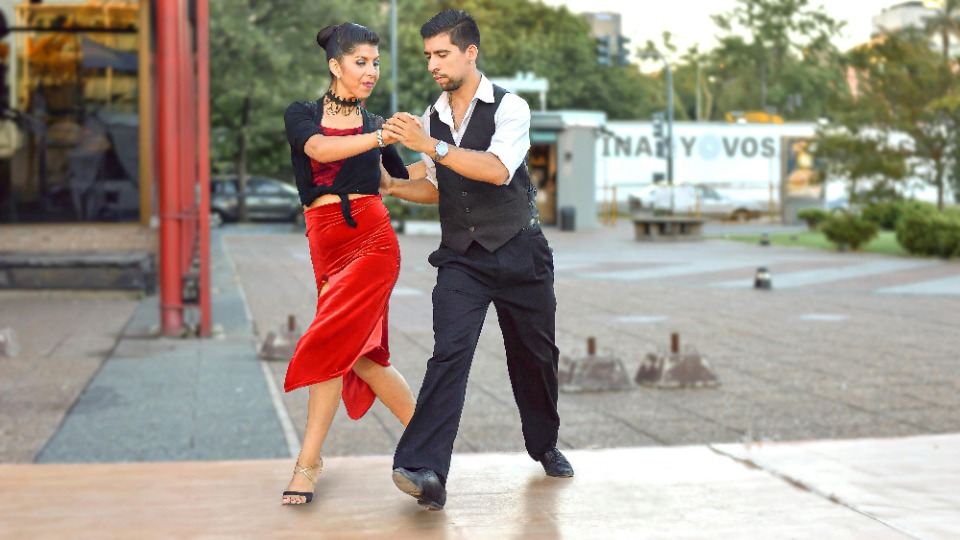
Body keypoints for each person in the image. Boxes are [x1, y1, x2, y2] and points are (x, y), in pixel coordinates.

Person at [379, 9, 573, 511]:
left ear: (470, 52)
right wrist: (395, 185)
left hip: (521, 252)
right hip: (463, 259)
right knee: (450, 353)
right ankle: (425, 470)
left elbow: (496, 170)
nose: (432, 65)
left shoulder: (512, 109)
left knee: (535, 357)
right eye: (427, 56)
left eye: (441, 54)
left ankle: (544, 443)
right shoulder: (431, 117)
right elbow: (436, 185)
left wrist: (430, 145)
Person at [279, 22, 417, 506]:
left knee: (331, 342)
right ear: (336, 66)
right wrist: (380, 136)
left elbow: (402, 182)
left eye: (376, 63)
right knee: (364, 357)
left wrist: (441, 152)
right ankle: (431, 442)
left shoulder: (377, 125)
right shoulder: (303, 115)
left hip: (373, 243)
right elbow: (319, 150)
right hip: (326, 245)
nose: (371, 71)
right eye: (361, 62)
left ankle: (307, 463)